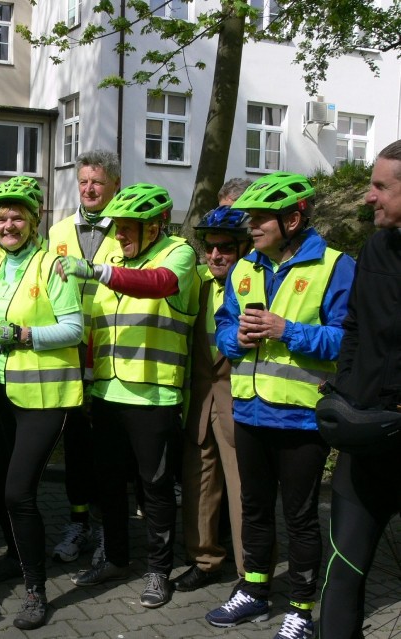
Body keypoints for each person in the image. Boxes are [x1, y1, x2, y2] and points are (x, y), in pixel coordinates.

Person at [205, 172, 356, 639]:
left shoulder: (335, 266)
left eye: (259, 219)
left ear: (292, 219)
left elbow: (350, 342)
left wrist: (285, 330)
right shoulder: (246, 267)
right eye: (248, 218)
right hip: (249, 412)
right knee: (253, 508)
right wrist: (237, 337)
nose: (250, 226)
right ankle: (253, 589)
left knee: (301, 517)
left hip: (301, 417)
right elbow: (224, 327)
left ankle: (301, 608)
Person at [59, 183, 201, 609]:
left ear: (156, 225)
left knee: (154, 489)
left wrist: (98, 271)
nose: (118, 235)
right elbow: (92, 323)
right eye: (116, 227)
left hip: (153, 395)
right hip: (105, 391)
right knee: (107, 485)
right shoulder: (113, 257)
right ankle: (116, 559)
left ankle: (159, 571)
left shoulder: (179, 252)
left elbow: (159, 284)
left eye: (127, 227)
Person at [0, 179, 83, 629]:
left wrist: (25, 335)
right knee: (1, 484)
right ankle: (12, 555)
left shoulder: (52, 266)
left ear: (34, 219)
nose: (8, 224)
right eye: (0, 218)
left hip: (43, 396)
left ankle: (36, 588)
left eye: (17, 216)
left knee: (19, 492)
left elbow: (74, 328)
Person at [317, 140, 401, 639]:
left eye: (380, 186)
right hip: (367, 442)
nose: (368, 197)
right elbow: (354, 328)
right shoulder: (374, 249)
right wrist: (343, 393)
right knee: (342, 573)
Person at [172, 204, 253, 592]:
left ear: (244, 249)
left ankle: (250, 574)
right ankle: (204, 560)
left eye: (226, 248)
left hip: (242, 406)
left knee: (244, 495)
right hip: (201, 403)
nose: (216, 255)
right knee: (198, 487)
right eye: (210, 248)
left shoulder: (260, 285)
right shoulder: (200, 284)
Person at [47, 149, 121, 564]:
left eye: (97, 182)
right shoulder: (57, 230)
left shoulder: (129, 228)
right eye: (84, 182)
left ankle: (111, 529)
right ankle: (77, 523)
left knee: (109, 446)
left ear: (114, 186)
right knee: (75, 443)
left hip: (113, 347)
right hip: (70, 351)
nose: (89, 189)